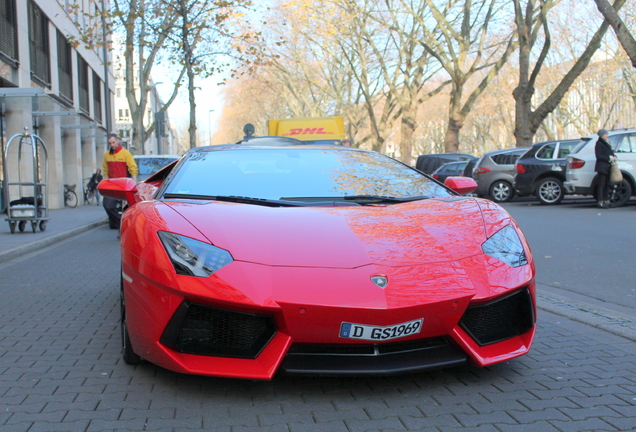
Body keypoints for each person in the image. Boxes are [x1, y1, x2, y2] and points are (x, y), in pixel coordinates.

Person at [102, 133, 138, 228]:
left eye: (113, 142)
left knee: (125, 208)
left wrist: (133, 184)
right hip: (111, 185)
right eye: (110, 143)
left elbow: (132, 168)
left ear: (118, 141)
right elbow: (105, 170)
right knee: (107, 206)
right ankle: (120, 223)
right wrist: (104, 184)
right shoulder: (107, 155)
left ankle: (121, 225)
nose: (112, 145)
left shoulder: (125, 153)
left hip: (123, 184)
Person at [594, 129, 616, 209]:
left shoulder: (607, 142)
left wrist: (614, 156)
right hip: (602, 167)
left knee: (607, 185)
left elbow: (610, 152)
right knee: (602, 185)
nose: (607, 135)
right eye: (606, 134)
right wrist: (608, 158)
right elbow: (598, 156)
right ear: (602, 135)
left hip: (608, 166)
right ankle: (600, 202)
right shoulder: (599, 143)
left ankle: (607, 200)